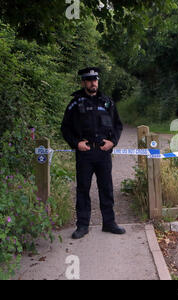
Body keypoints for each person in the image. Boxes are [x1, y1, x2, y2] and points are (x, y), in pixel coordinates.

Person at [61, 67, 125, 239]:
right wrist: (76, 143)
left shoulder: (107, 102)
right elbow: (65, 128)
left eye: (95, 80)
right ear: (83, 82)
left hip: (103, 153)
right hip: (85, 154)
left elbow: (118, 125)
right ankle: (82, 225)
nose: (93, 83)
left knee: (107, 188)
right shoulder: (75, 103)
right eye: (89, 80)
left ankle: (109, 223)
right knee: (83, 189)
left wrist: (113, 142)